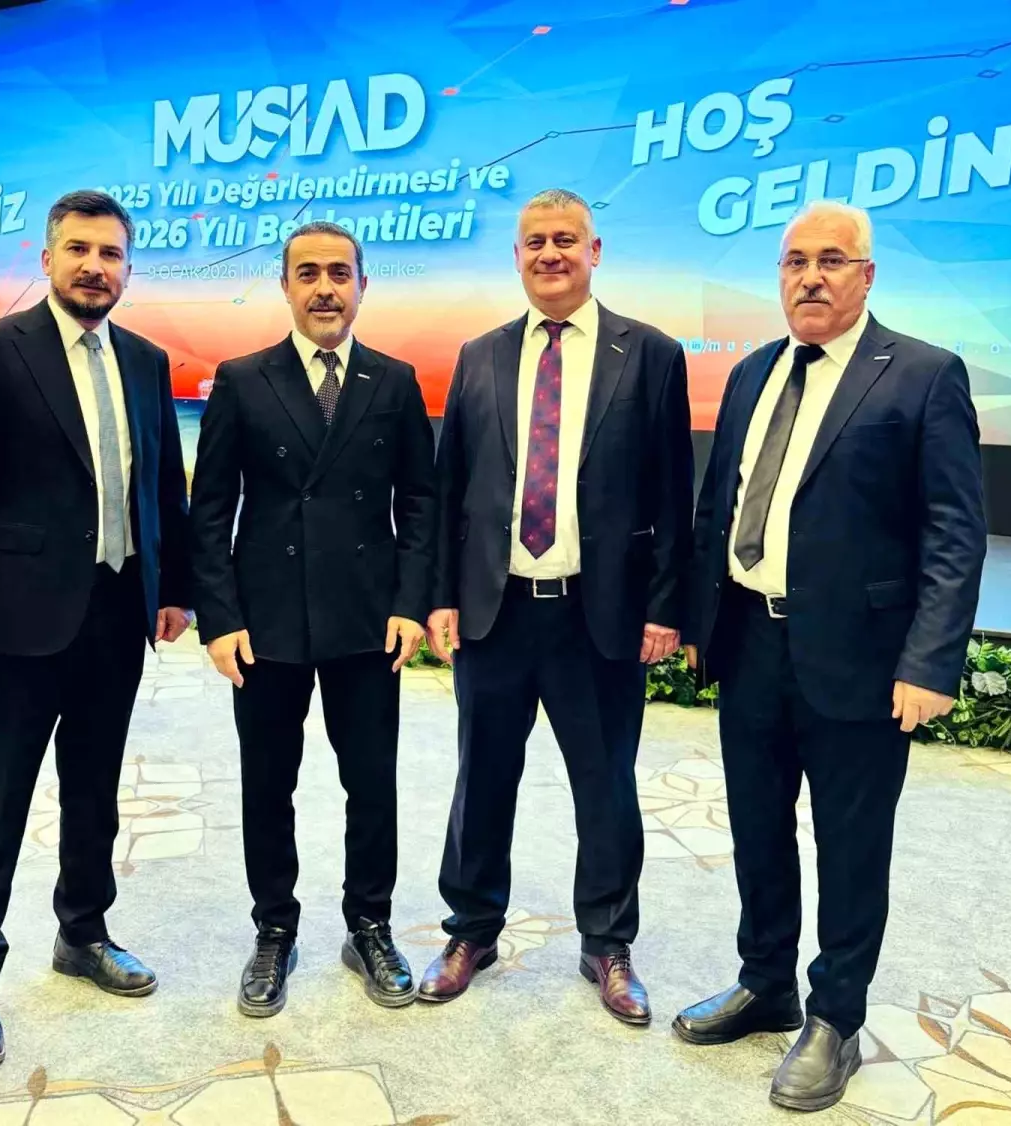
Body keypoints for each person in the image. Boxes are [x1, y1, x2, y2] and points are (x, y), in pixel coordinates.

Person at [674, 200, 986, 1111]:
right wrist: (698, 623)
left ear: (867, 274)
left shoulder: (923, 374)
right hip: (750, 642)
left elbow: (954, 531)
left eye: (832, 260)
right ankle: (765, 982)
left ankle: (835, 1018)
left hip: (862, 659)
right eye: (794, 261)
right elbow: (719, 507)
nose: (810, 277)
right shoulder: (752, 373)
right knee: (757, 828)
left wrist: (929, 662)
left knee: (851, 845)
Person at [0, 189, 192, 1068]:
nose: (94, 267)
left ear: (127, 269)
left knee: (94, 795)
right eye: (78, 250)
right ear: (47, 259)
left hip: (115, 616)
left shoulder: (145, 360)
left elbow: (163, 485)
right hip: (14, 625)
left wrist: (173, 587)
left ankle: (83, 934)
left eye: (110, 254)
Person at [419, 189, 692, 1025]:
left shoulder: (650, 354)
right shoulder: (480, 355)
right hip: (495, 612)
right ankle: (471, 932)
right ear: (517, 256)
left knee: (606, 786)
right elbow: (451, 489)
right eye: (535, 241)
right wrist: (440, 596)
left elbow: (673, 492)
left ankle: (608, 944)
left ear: (594, 250)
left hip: (597, 615)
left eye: (565, 239)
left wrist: (664, 606)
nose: (550, 254)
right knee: (481, 781)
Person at [189, 220, 436, 1016]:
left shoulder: (394, 380)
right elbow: (210, 509)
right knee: (269, 782)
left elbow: (420, 503)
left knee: (372, 782)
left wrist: (410, 603)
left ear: (363, 285)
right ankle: (274, 929)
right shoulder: (242, 378)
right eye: (308, 274)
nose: (325, 288)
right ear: (286, 286)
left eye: (339, 273)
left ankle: (370, 925)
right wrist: (219, 617)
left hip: (368, 618)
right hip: (265, 622)